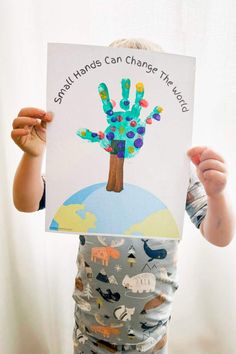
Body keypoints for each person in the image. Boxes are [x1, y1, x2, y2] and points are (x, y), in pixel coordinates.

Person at [11, 38, 234, 354]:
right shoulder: (82, 169)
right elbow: (27, 201)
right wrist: (32, 157)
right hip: (89, 335)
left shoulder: (176, 172)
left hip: (152, 338)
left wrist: (217, 195)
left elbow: (220, 235)